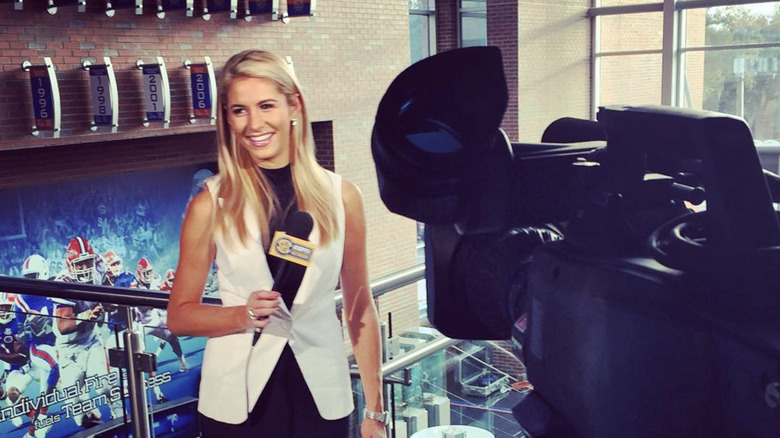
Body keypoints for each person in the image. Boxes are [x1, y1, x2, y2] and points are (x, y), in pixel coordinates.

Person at [167, 49, 386, 438]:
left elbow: (358, 305)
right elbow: (180, 315)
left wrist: (375, 409)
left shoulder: (342, 197)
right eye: (239, 110)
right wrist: (241, 316)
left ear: (293, 106)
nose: (254, 123)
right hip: (236, 400)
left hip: (322, 393)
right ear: (227, 120)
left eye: (266, 105)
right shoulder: (210, 204)